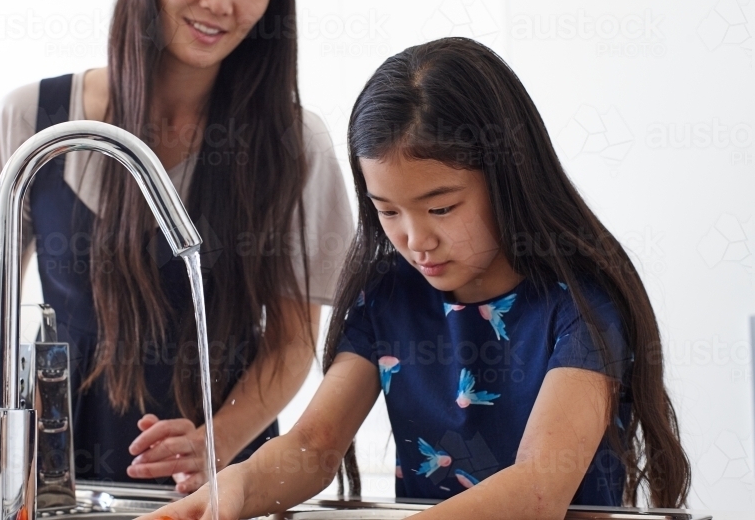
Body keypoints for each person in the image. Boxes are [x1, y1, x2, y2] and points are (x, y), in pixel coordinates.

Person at [141, 37, 691, 519]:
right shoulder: (388, 299)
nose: (415, 239)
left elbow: (539, 488)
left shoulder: (579, 308)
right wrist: (231, 489)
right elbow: (314, 444)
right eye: (387, 211)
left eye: (442, 208)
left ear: (509, 178)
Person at [0, 0, 353, 492]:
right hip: (55, 480)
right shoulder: (32, 119)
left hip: (220, 485)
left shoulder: (296, 145)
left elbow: (293, 339)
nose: (220, 3)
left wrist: (215, 442)